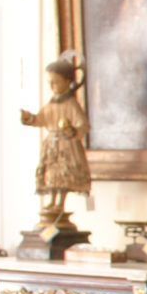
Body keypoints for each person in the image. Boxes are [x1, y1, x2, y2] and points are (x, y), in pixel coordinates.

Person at [22, 52, 90, 231]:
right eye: (50, 82)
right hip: (51, 145)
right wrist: (29, 118)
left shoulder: (71, 104)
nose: (52, 86)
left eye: (56, 82)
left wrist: (72, 130)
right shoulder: (51, 104)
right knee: (51, 174)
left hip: (66, 145)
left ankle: (60, 202)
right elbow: (41, 119)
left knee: (63, 175)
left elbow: (83, 125)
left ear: (67, 82)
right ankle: (52, 201)